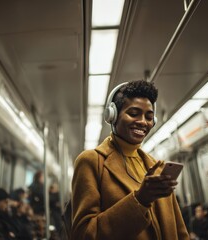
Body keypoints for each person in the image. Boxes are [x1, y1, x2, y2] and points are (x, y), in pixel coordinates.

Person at [71, 80, 189, 239]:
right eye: (133, 114)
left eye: (149, 116)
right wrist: (140, 200)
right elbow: (84, 234)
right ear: (112, 115)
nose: (143, 122)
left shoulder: (156, 167)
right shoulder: (92, 161)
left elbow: (179, 229)